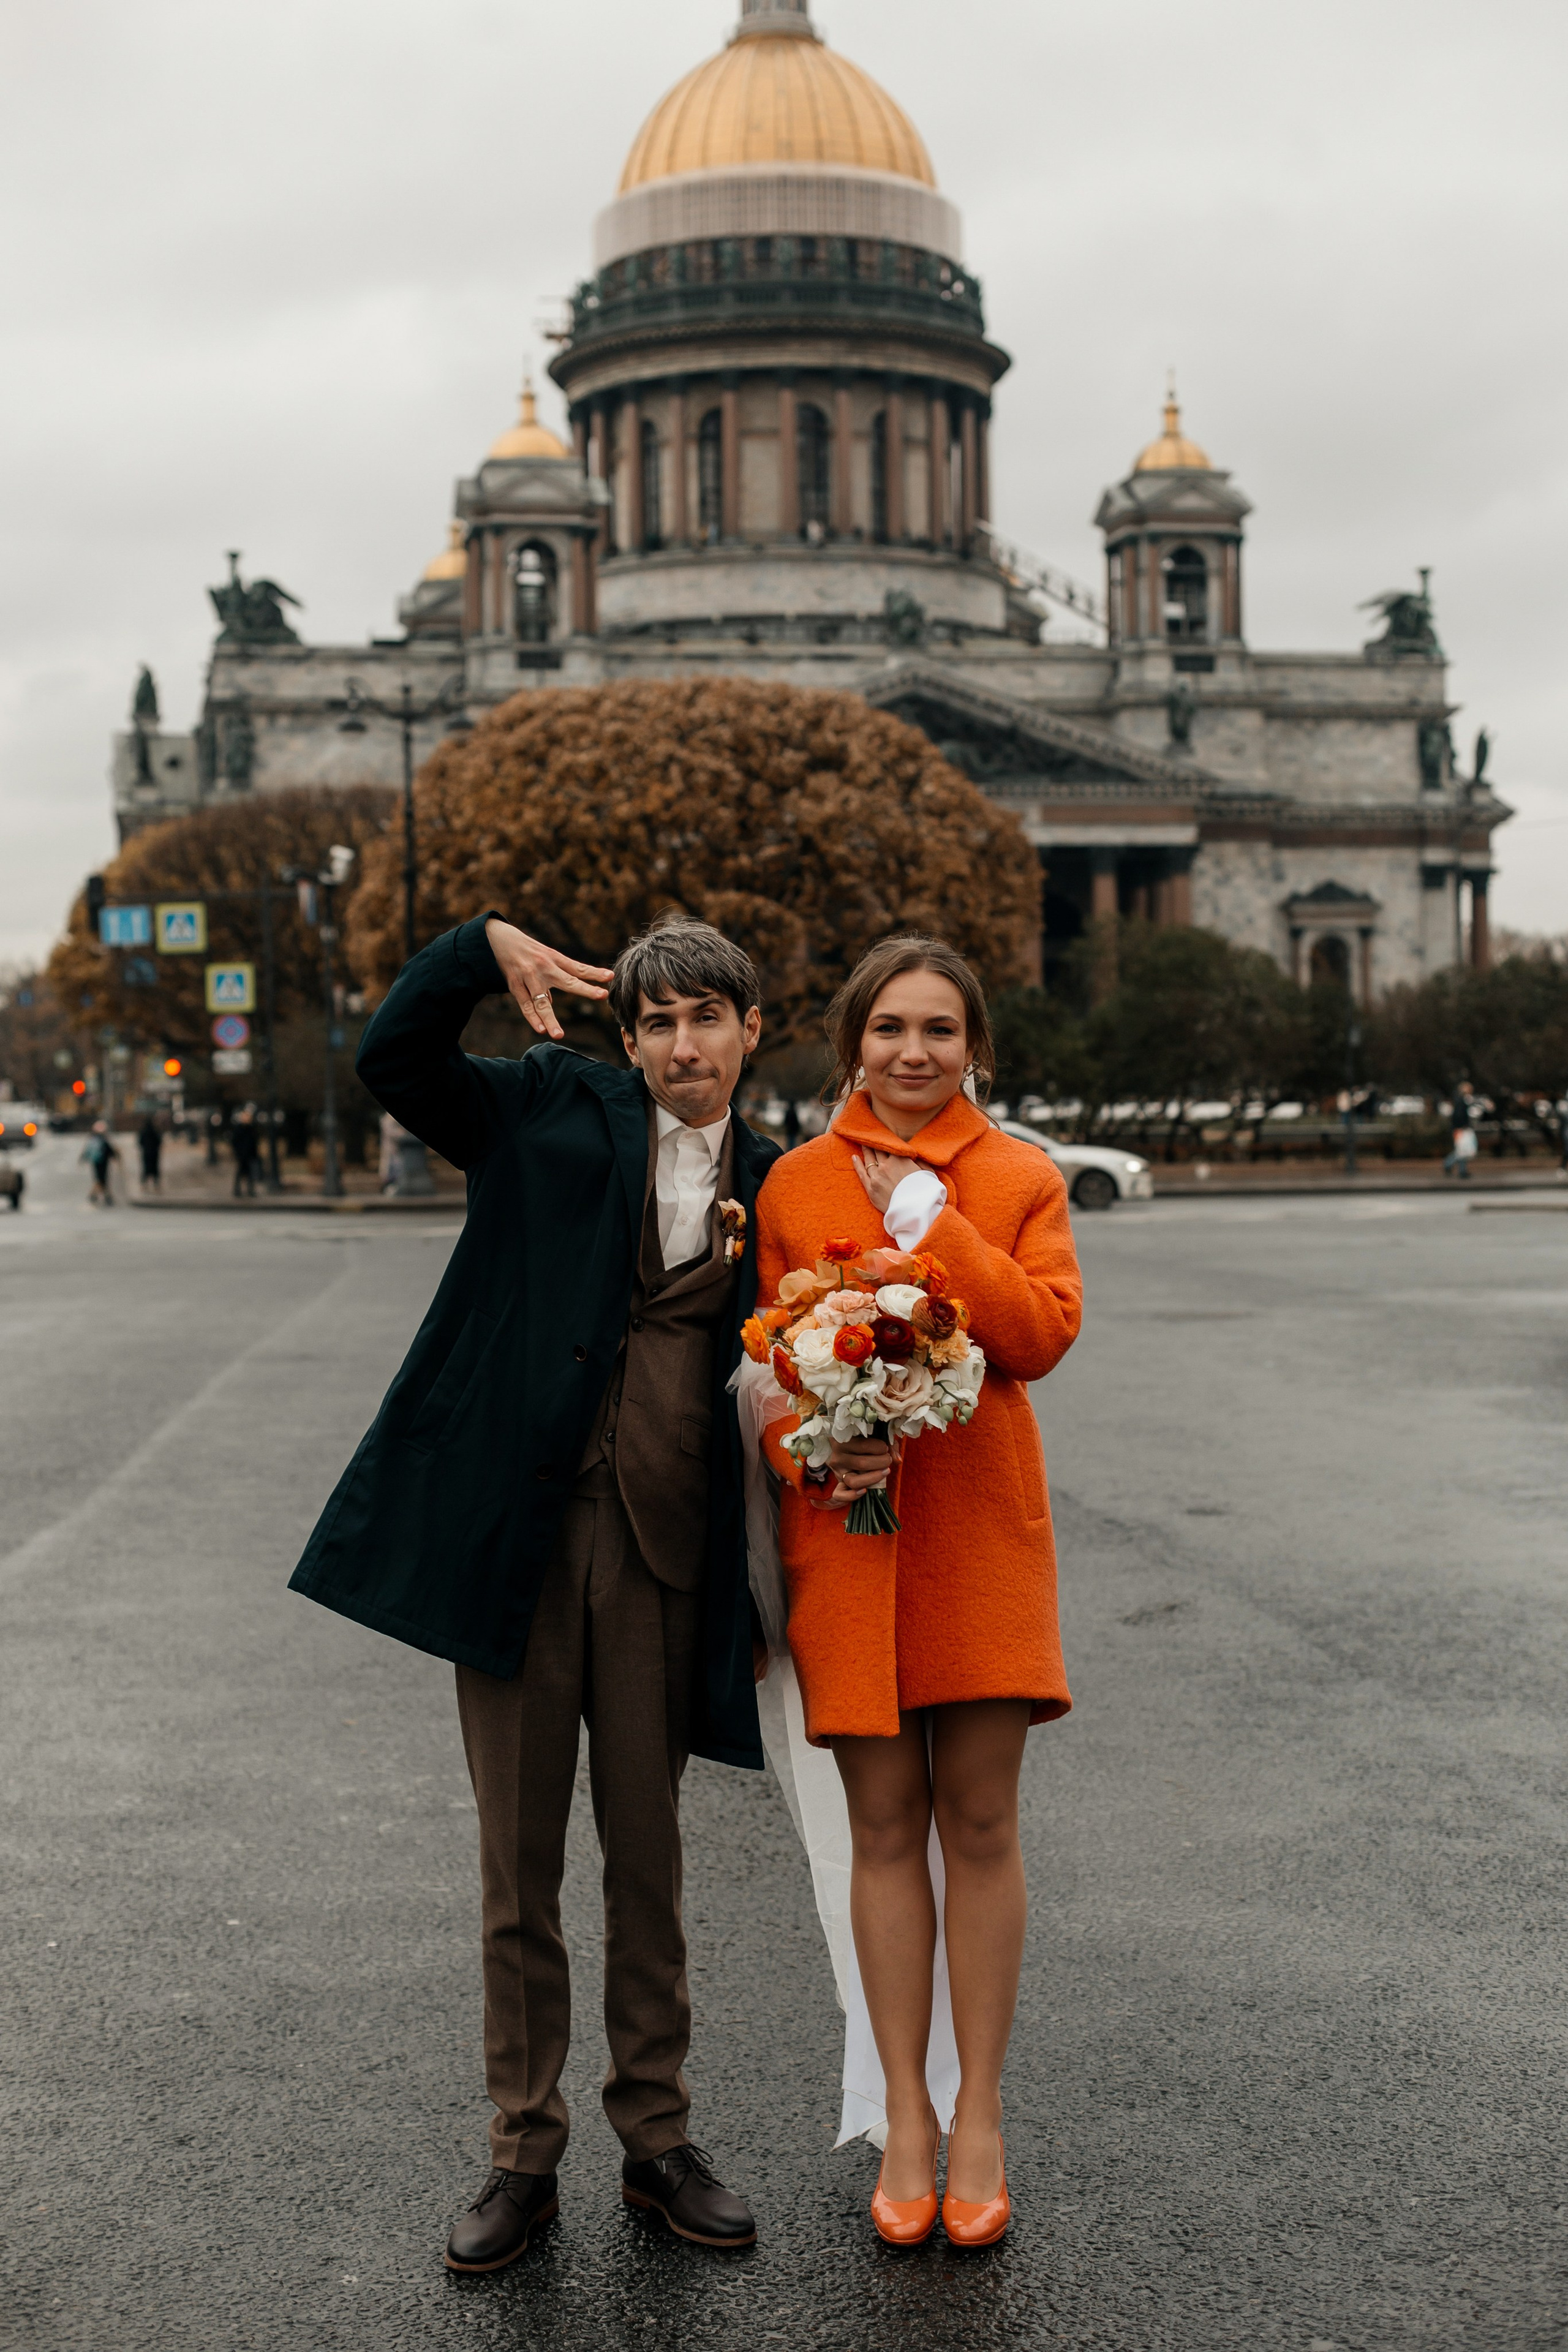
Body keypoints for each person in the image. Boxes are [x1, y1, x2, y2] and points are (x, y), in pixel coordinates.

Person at [288, 911, 778, 2271]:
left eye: (707, 1018)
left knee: (650, 1863)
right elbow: (396, 1060)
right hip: (516, 1538)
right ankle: (522, 2151)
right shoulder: (546, 1108)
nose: (683, 1045)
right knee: (520, 1865)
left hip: (666, 1553)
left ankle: (657, 2139)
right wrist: (476, 947)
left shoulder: (779, 1181)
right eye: (658, 1022)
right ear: (629, 1040)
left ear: (751, 1031)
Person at [753, 934, 1082, 2250]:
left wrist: (930, 1226)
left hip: (982, 1547)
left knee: (982, 1826)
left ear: (973, 1046)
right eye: (888, 1027)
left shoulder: (1019, 1176)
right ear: (852, 1043)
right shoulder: (793, 1182)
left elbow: (1039, 1337)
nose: (912, 1051)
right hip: (849, 1544)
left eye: (939, 1029)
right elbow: (763, 1370)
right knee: (884, 1830)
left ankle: (979, 2115)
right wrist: (818, 1444)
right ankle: (904, 2114)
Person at [1443, 1080, 1477, 1179]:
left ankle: (1462, 1170)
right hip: (1461, 1129)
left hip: (1459, 1129)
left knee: (1462, 1150)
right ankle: (1448, 1164)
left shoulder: (1460, 1101)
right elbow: (1459, 1116)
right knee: (1462, 1150)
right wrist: (1462, 1126)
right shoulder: (1462, 1102)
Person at [81, 1120, 120, 1207]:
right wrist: (115, 1157)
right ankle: (102, 1196)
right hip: (103, 1162)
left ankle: (97, 1196)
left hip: (96, 1161)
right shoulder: (103, 1140)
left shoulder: (92, 1139)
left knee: (100, 1179)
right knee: (102, 1179)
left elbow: (87, 1150)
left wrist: (83, 1159)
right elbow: (109, 1150)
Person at [231, 1106, 261, 1198]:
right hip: (242, 1155)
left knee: (250, 1174)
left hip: (250, 1155)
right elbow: (235, 1142)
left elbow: (255, 1142)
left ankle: (250, 1190)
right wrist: (238, 1153)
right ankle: (237, 1190)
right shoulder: (239, 1129)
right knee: (240, 1173)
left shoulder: (252, 1129)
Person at [137, 1115, 163, 1193]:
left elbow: (140, 1142)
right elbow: (159, 1141)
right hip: (154, 1153)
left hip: (146, 1152)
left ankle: (144, 1185)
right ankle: (156, 1185)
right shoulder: (155, 1131)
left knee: (146, 1168)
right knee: (155, 1168)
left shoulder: (143, 1131)